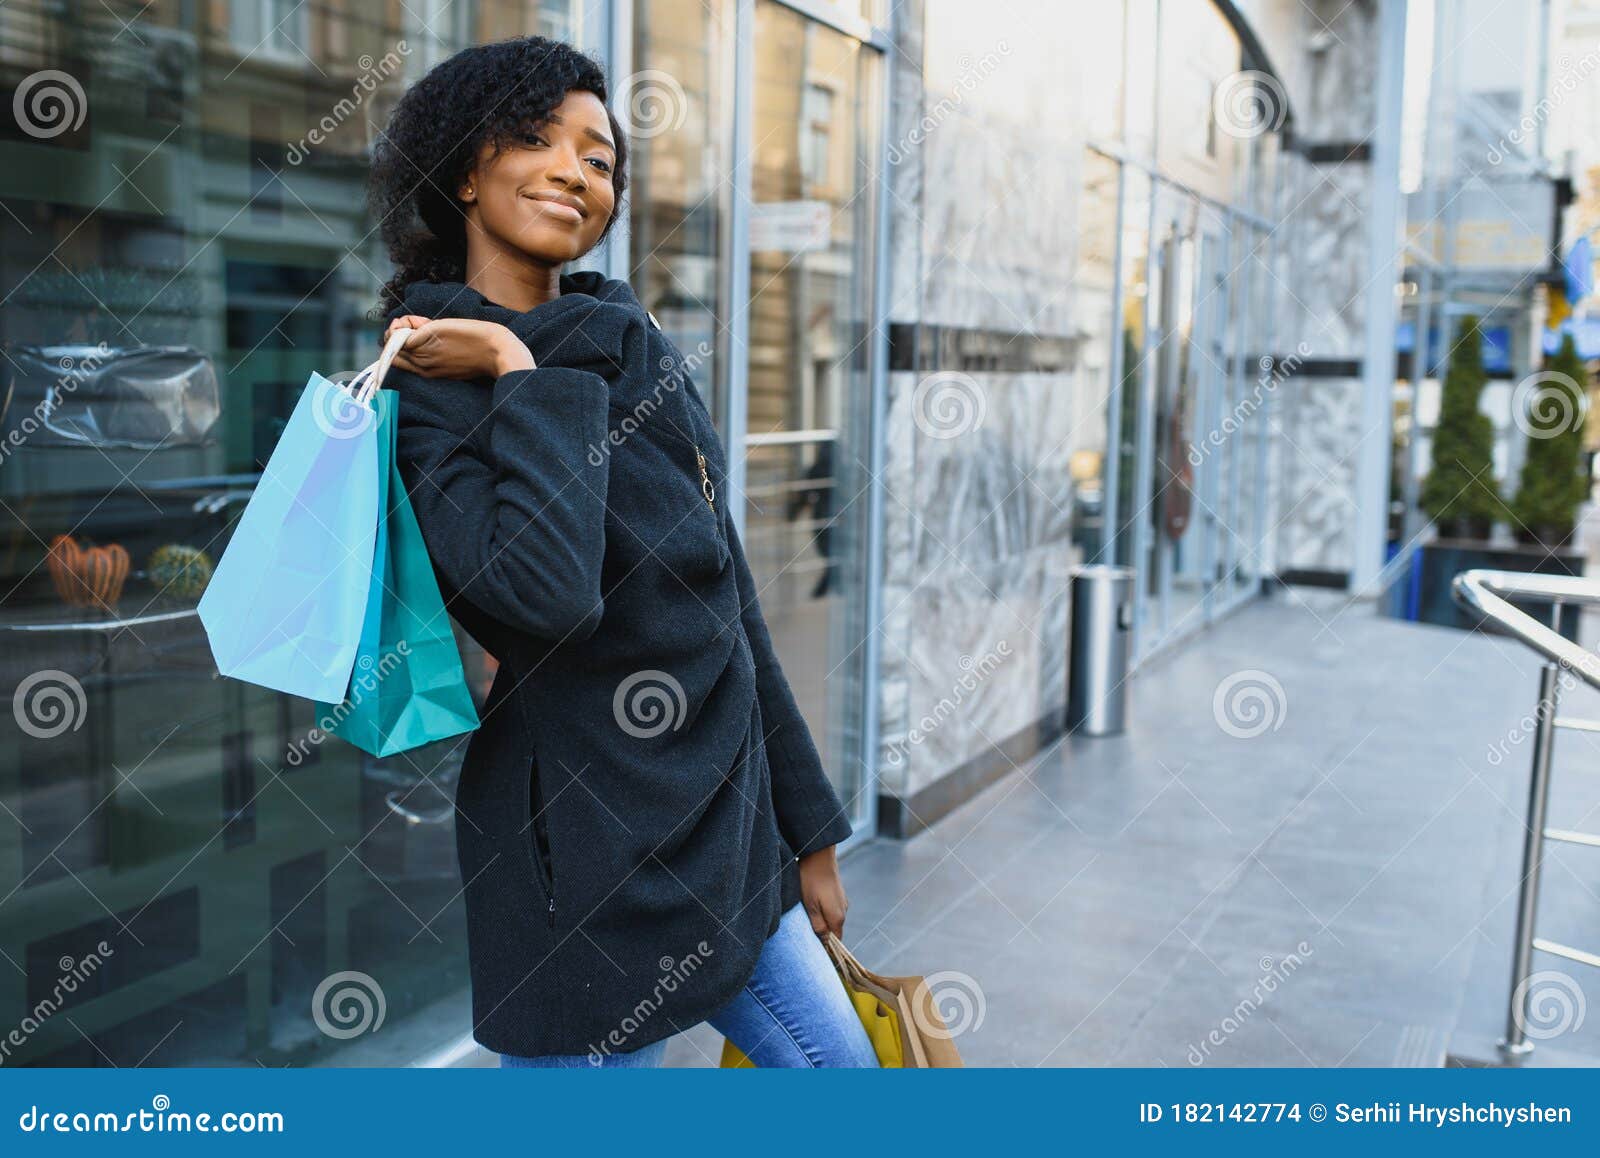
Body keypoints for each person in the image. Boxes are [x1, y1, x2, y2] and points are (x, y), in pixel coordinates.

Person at [365, 35, 876, 1069]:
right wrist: (517, 368)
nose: (573, 170)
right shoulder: (430, 391)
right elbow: (541, 602)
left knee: (845, 1076)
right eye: (535, 138)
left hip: (727, 831)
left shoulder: (633, 346)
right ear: (465, 170)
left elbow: (724, 598)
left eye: (598, 158)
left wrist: (805, 829)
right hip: (583, 863)